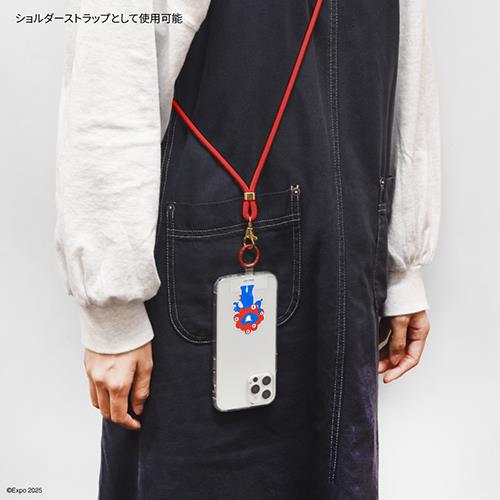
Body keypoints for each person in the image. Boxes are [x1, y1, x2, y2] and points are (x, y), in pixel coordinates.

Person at [55, 0, 440, 498]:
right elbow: (112, 78)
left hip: (345, 268)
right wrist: (112, 313)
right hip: (207, 268)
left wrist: (401, 268)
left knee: (330, 471)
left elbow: (407, 59)